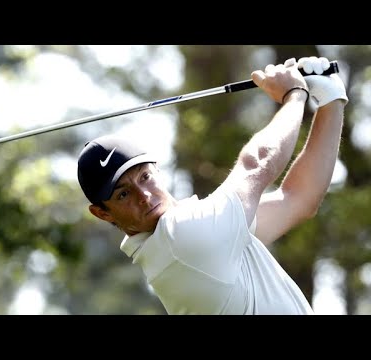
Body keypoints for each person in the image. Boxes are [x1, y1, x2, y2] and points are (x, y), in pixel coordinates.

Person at [76, 56, 348, 315]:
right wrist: (294, 95)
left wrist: (331, 100)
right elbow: (257, 163)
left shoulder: (199, 237)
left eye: (145, 177)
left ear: (157, 169)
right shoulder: (181, 238)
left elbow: (298, 199)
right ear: (103, 213)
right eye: (123, 194)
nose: (144, 196)